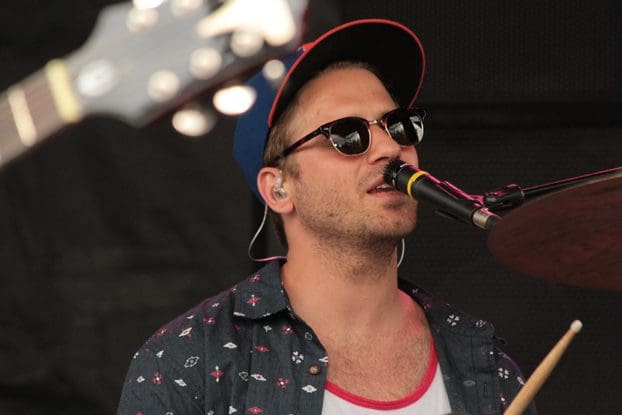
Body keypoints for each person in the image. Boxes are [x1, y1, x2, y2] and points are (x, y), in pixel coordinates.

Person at [117, 19, 536, 415]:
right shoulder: (189, 361)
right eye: (347, 134)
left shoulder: (481, 361)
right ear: (278, 189)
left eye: (398, 126)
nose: (390, 149)